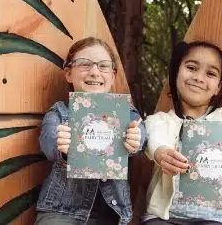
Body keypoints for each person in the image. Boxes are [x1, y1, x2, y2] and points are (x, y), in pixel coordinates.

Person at [143, 41, 222, 225]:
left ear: (219, 86)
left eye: (210, 73)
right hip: (163, 218)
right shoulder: (160, 120)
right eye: (191, 68)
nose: (199, 77)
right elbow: (156, 139)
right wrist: (162, 153)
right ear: (177, 72)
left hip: (215, 219)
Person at [35, 37, 147, 224]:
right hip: (61, 211)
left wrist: (136, 139)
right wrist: (60, 145)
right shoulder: (59, 112)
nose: (95, 72)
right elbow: (48, 141)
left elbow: (141, 133)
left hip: (112, 213)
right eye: (85, 65)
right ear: (68, 73)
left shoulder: (125, 112)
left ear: (112, 75)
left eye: (103, 66)